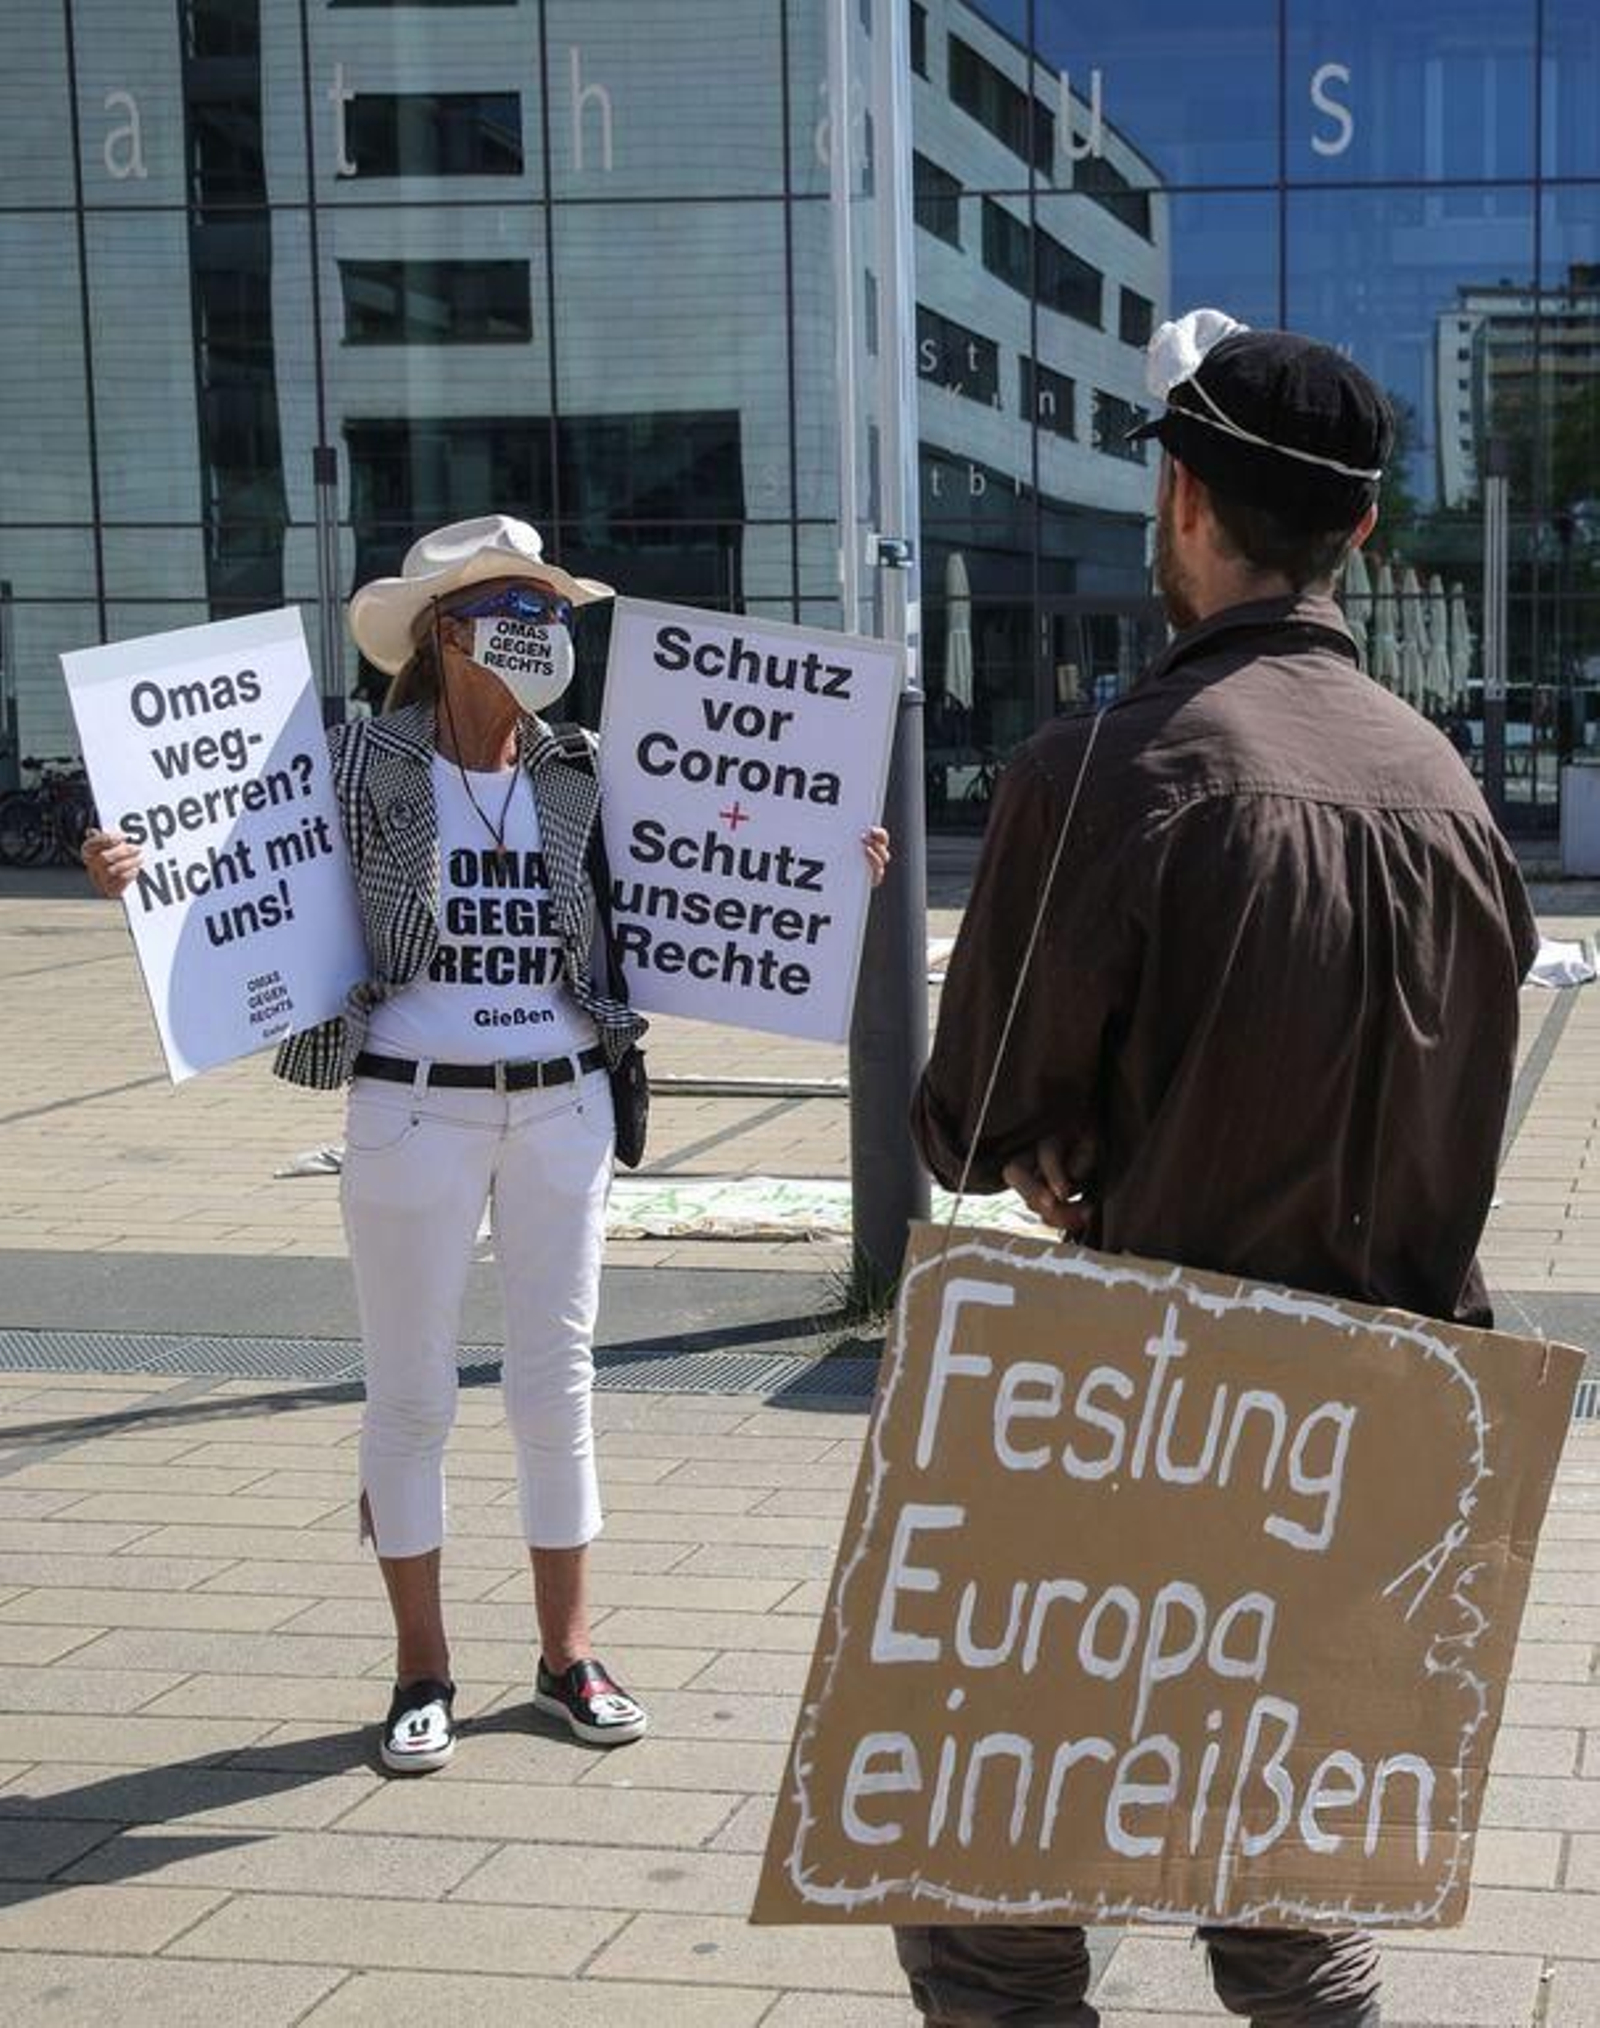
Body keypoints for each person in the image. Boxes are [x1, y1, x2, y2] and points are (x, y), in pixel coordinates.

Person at [902, 320, 1537, 2027]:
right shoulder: (1449, 791)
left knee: (998, 1913)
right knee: (1287, 1906)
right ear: (1366, 535)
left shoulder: (1107, 771)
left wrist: (1057, 1140)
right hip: (1377, 1440)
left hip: (1136, 1430)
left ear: (1181, 497)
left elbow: (962, 1123)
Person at [84, 514, 890, 1775]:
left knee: (553, 1386)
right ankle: (422, 1670)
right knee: (408, 1394)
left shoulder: (580, 768)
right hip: (410, 1107)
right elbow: (235, 868)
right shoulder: (358, 763)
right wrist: (137, 865)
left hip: (562, 1102)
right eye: (514, 608)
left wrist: (835, 871)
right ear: (444, 633)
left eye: (550, 608)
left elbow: (718, 860)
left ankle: (568, 1654)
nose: (542, 630)